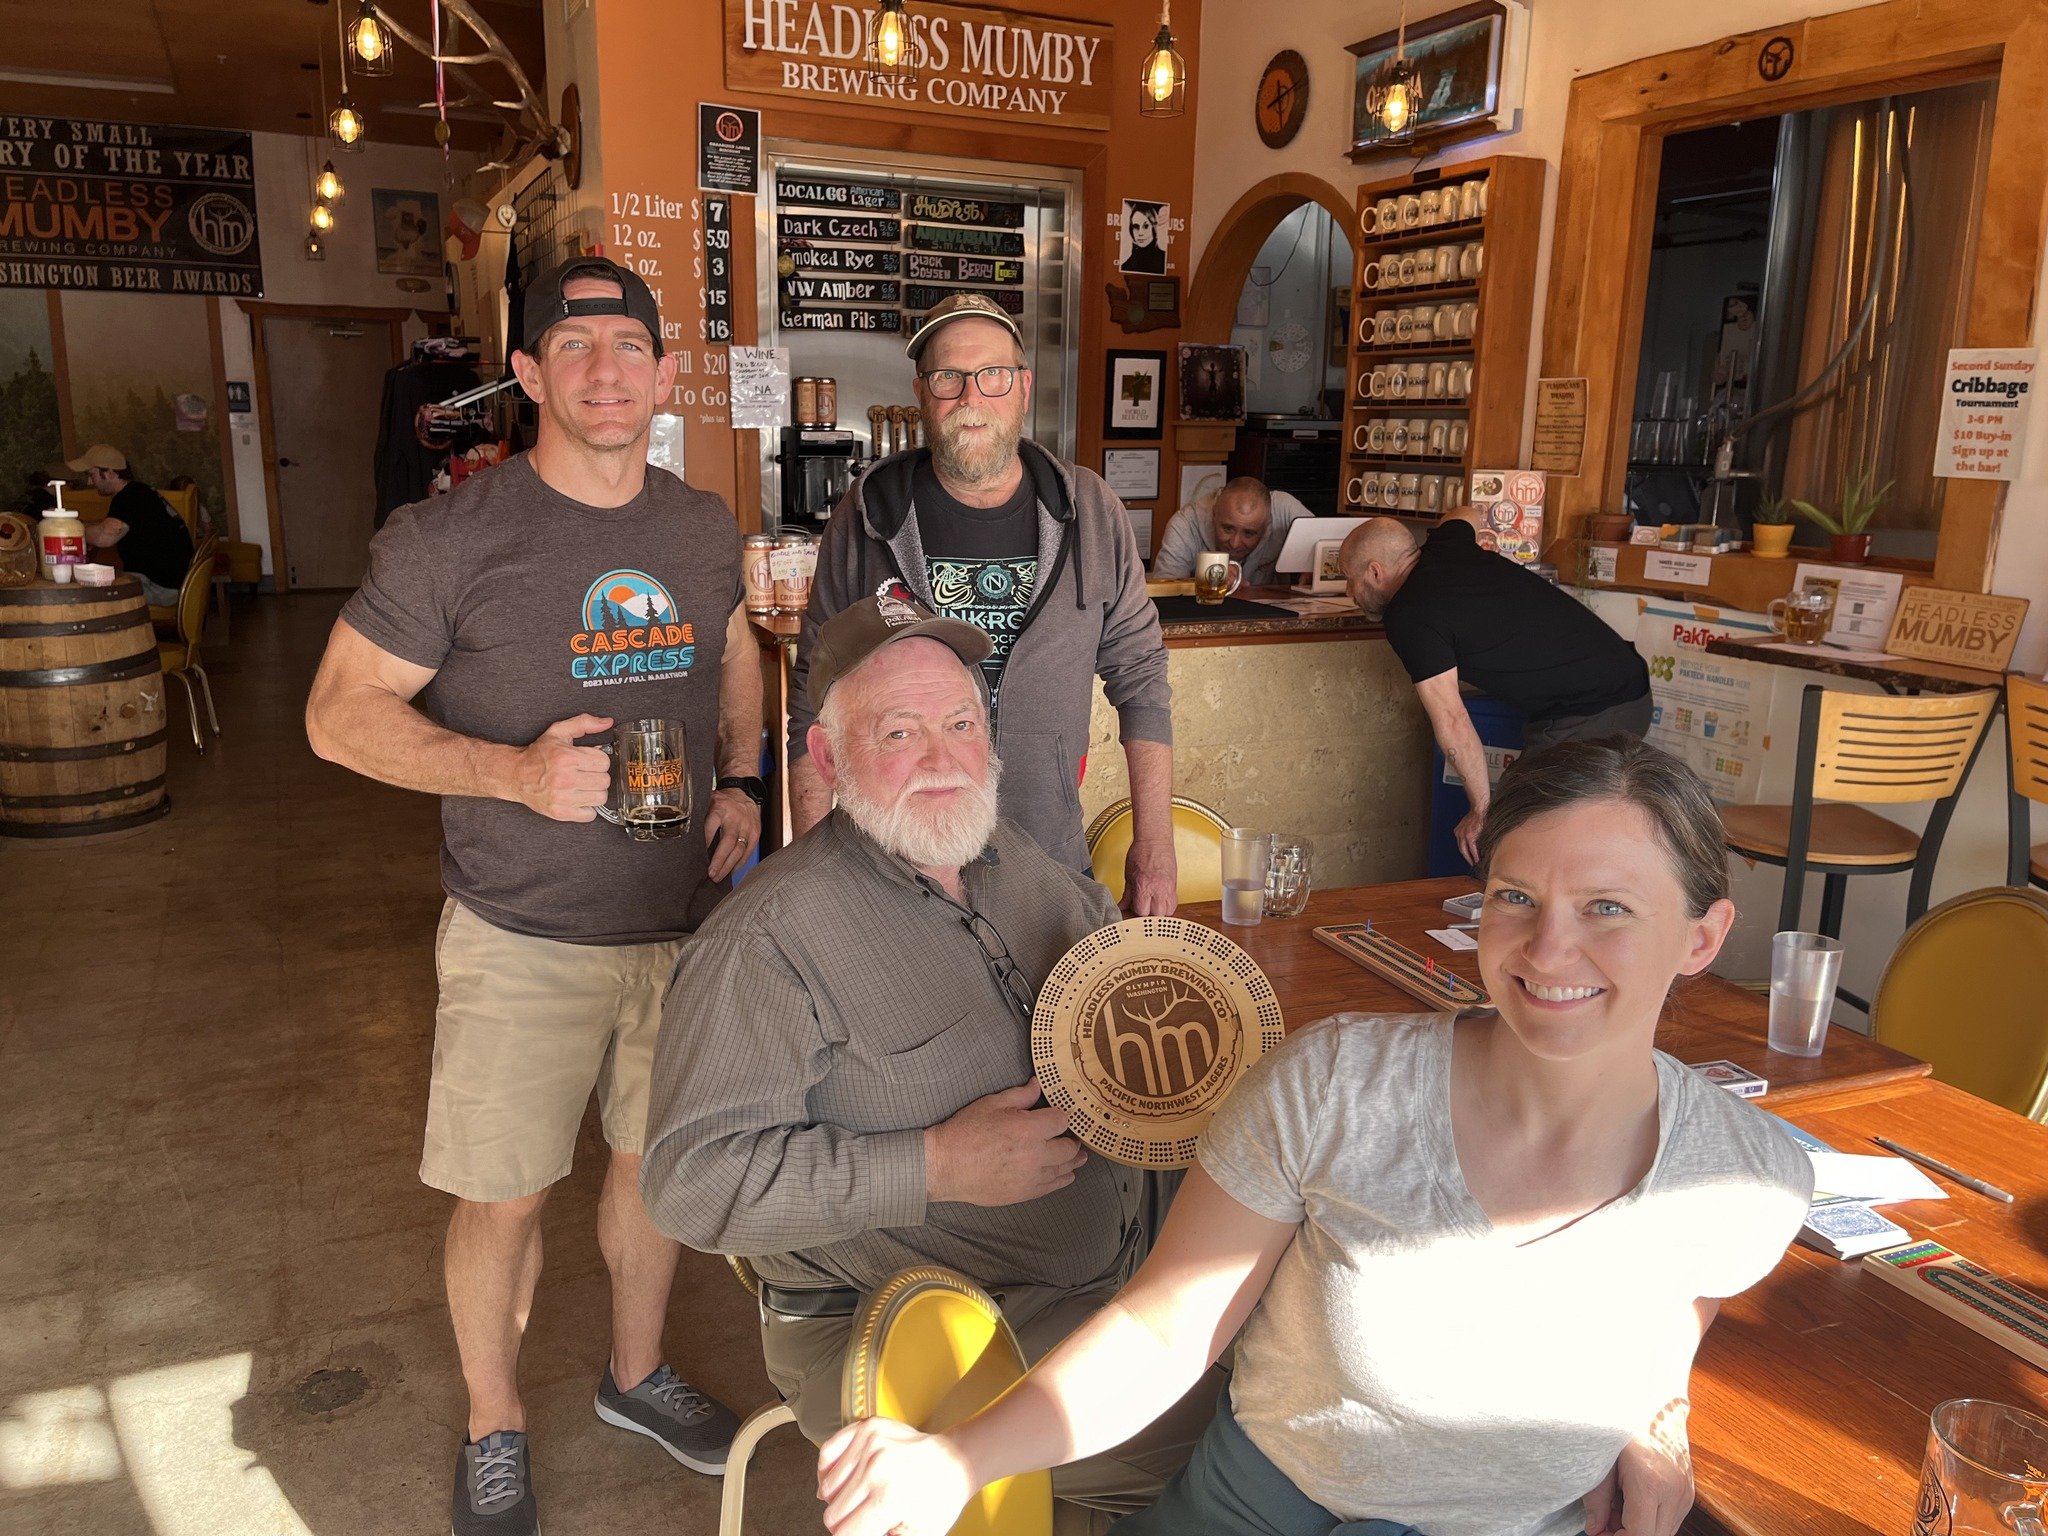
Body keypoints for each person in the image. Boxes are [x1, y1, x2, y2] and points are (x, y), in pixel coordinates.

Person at [816, 736, 1814, 1536]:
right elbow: (1168, 1329)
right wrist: (959, 1460)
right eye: (1515, 897)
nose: (1549, 948)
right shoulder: (1336, 1084)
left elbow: (1685, 1292)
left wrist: (1654, 1413)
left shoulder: (1746, 1181)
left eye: (1607, 908)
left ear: (1700, 938)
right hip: (1251, 1508)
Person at [305, 256, 761, 1536]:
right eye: (574, 349)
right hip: (521, 934)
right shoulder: (452, 535)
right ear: (527, 375)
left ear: (667, 376)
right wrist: (506, 770)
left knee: (650, 1170)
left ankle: (635, 1375)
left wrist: (739, 777)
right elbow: (338, 719)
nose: (605, 371)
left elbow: (731, 656)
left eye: (629, 348)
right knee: (502, 1196)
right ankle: (492, 1424)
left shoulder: (697, 524)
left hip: (681, 929)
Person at [643, 593, 1218, 1517]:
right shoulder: (768, 942)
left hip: (1122, 1251)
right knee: (1248, 1430)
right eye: (900, 732)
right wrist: (935, 1165)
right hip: (916, 1313)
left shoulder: (1008, 854)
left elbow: (1106, 955)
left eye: (960, 724)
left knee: (1322, 1331)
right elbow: (689, 1183)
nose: (944, 759)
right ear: (829, 758)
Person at [788, 291, 1178, 912]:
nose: (972, 399)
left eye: (992, 376)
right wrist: (807, 878)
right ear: (922, 393)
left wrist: (1154, 843)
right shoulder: (867, 515)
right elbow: (814, 699)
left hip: (1047, 853)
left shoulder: (1091, 511)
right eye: (949, 377)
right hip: (894, 869)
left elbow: (1142, 681)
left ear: (1022, 388)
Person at [1341, 513, 1653, 864]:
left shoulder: (1411, 615)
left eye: (1349, 580)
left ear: (1375, 572)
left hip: (1596, 707)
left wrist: (1482, 810)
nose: (1349, 592)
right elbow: (1465, 514)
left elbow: (1453, 721)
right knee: (1536, 831)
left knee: (1504, 835)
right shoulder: (1446, 544)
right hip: (1619, 681)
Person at [70, 444, 195, 606]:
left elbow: (104, 537)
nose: (88, 482)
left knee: (87, 593)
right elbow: (108, 526)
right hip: (175, 582)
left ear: (109, 472)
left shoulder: (130, 497)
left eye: (91, 475)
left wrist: (72, 529)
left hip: (161, 588)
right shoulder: (139, 492)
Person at [1151, 477, 1308, 586]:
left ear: (1267, 525)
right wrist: (1206, 579)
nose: (1235, 543)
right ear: (1214, 514)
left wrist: (1314, 566)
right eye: (1227, 528)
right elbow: (1163, 588)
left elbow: (1328, 545)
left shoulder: (1284, 510)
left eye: (1249, 533)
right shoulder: (1185, 523)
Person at [1120, 202, 1167, 275]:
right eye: (1136, 227)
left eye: (1146, 226)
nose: (1140, 233)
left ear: (1154, 227)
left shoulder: (1164, 262)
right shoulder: (1126, 266)